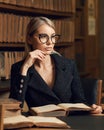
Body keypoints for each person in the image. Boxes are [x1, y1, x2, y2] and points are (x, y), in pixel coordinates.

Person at [9, 16, 102, 114]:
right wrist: (25, 68)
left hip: (69, 123)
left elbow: (80, 102)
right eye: (43, 36)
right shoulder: (19, 68)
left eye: (53, 37)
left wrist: (91, 109)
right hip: (40, 125)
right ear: (29, 39)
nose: (50, 42)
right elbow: (14, 108)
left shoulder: (69, 65)